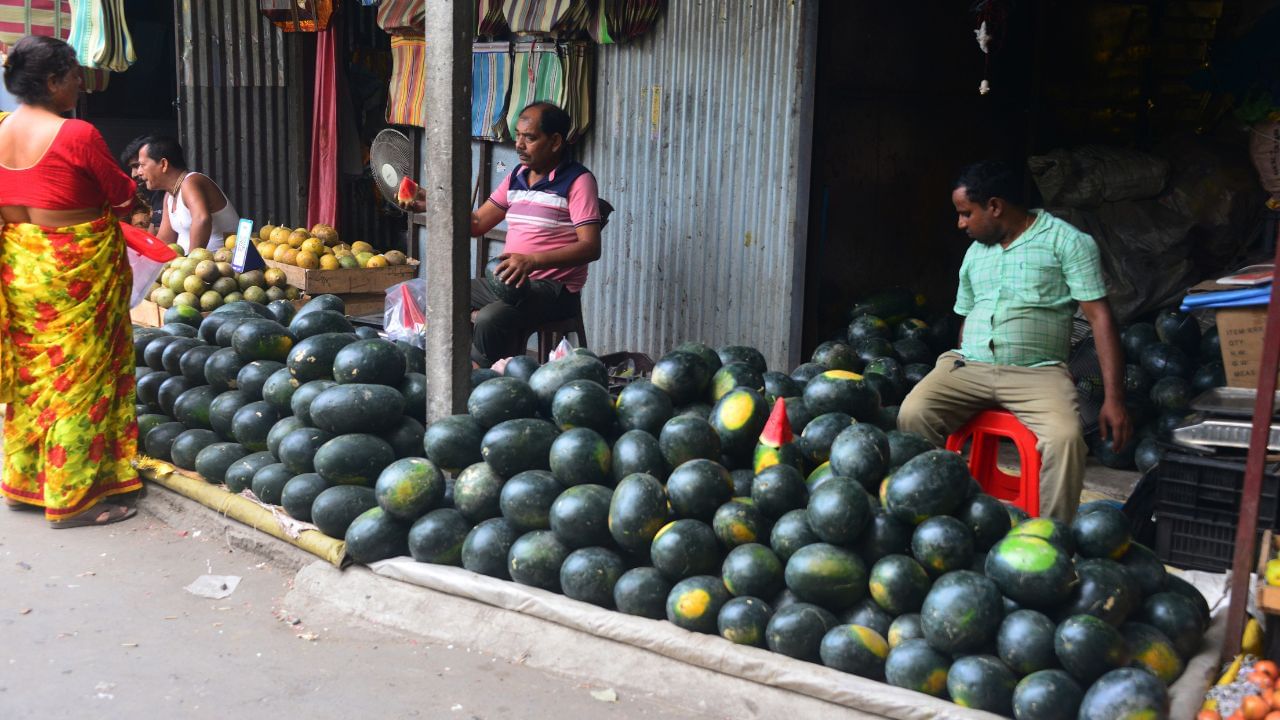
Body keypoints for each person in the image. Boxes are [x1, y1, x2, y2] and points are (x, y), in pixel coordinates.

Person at [897, 159, 1131, 522]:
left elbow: (1100, 318)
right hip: (968, 365)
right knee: (913, 414)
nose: (960, 224)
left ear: (994, 206)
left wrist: (1114, 399)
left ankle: (1049, 537)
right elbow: (968, 317)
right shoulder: (975, 254)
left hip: (1036, 374)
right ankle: (935, 517)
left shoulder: (1067, 242)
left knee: (1066, 441)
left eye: (965, 213)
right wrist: (963, 358)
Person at [0, 36, 141, 527]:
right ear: (53, 80)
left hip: (21, 268)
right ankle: (72, 498)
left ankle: (24, 485)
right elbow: (122, 196)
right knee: (78, 382)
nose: (82, 82)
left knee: (33, 380)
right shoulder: (76, 133)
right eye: (75, 73)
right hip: (73, 275)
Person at [466, 102, 602, 366]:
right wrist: (438, 204)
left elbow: (590, 247)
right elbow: (476, 224)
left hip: (554, 290)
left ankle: (478, 380)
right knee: (442, 294)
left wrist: (532, 261)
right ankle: (461, 367)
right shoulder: (516, 176)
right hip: (508, 283)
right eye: (517, 135)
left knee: (489, 318)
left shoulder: (578, 181)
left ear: (554, 142)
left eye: (529, 138)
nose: (519, 144)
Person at [135, 136, 239, 252]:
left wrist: (191, 261)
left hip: (220, 265)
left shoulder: (190, 182)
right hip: (189, 265)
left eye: (142, 165)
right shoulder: (169, 196)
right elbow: (165, 240)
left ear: (164, 164)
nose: (138, 172)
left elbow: (202, 219)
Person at [119, 134, 163, 233]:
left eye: (139, 165)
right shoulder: (133, 196)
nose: (134, 174)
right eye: (132, 168)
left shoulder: (185, 186)